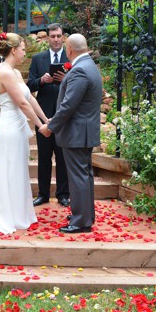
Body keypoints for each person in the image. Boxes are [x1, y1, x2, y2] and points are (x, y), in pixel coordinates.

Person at [0, 32, 49, 234]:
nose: (25, 53)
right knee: (8, 172)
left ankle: (18, 215)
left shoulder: (15, 72)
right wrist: (39, 127)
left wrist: (45, 119)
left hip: (17, 129)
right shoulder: (5, 73)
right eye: (23, 49)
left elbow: (31, 98)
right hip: (8, 129)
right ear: (14, 50)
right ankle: (6, 216)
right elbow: (22, 103)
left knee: (18, 171)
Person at [38, 34, 102, 233]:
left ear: (70, 50)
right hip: (82, 131)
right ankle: (85, 214)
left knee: (79, 178)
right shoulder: (90, 66)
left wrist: (50, 127)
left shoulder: (79, 70)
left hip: (76, 133)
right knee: (84, 175)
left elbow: (68, 106)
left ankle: (81, 221)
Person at [27, 23, 70, 208]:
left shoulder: (70, 57)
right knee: (44, 156)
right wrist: (42, 81)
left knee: (62, 156)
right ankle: (42, 194)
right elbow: (29, 86)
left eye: (58, 36)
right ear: (48, 38)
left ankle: (63, 195)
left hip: (63, 114)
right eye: (52, 36)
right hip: (43, 113)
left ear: (63, 37)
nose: (56, 39)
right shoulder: (38, 59)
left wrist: (64, 79)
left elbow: (77, 82)